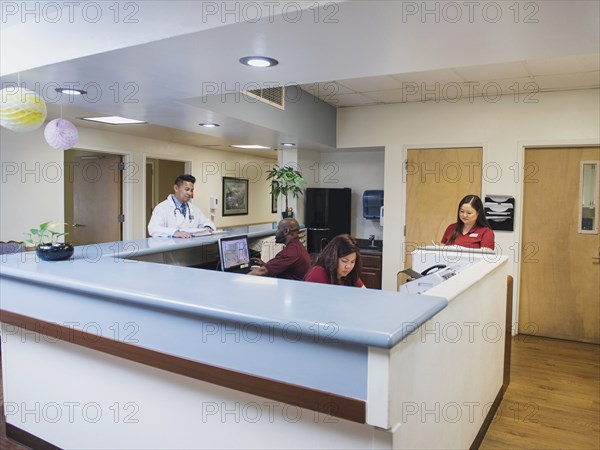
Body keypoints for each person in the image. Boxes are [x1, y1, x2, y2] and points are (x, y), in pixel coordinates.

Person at [147, 174, 215, 238]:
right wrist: (174, 232)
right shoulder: (161, 208)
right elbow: (153, 229)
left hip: (191, 248)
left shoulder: (194, 209)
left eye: (192, 190)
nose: (190, 193)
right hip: (171, 248)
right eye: (187, 189)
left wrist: (207, 228)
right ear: (176, 188)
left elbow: (207, 222)